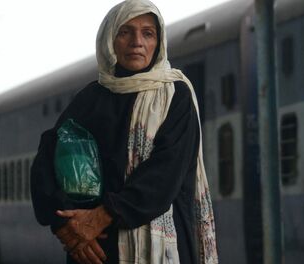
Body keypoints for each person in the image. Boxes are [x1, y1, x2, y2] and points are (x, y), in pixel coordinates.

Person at [30, 0, 218, 263]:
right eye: (125, 32)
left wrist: (100, 218)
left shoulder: (175, 96)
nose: (136, 42)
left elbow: (165, 175)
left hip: (163, 250)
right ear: (109, 39)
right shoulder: (89, 100)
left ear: (159, 41)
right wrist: (65, 226)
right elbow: (46, 163)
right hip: (95, 251)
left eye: (147, 33)